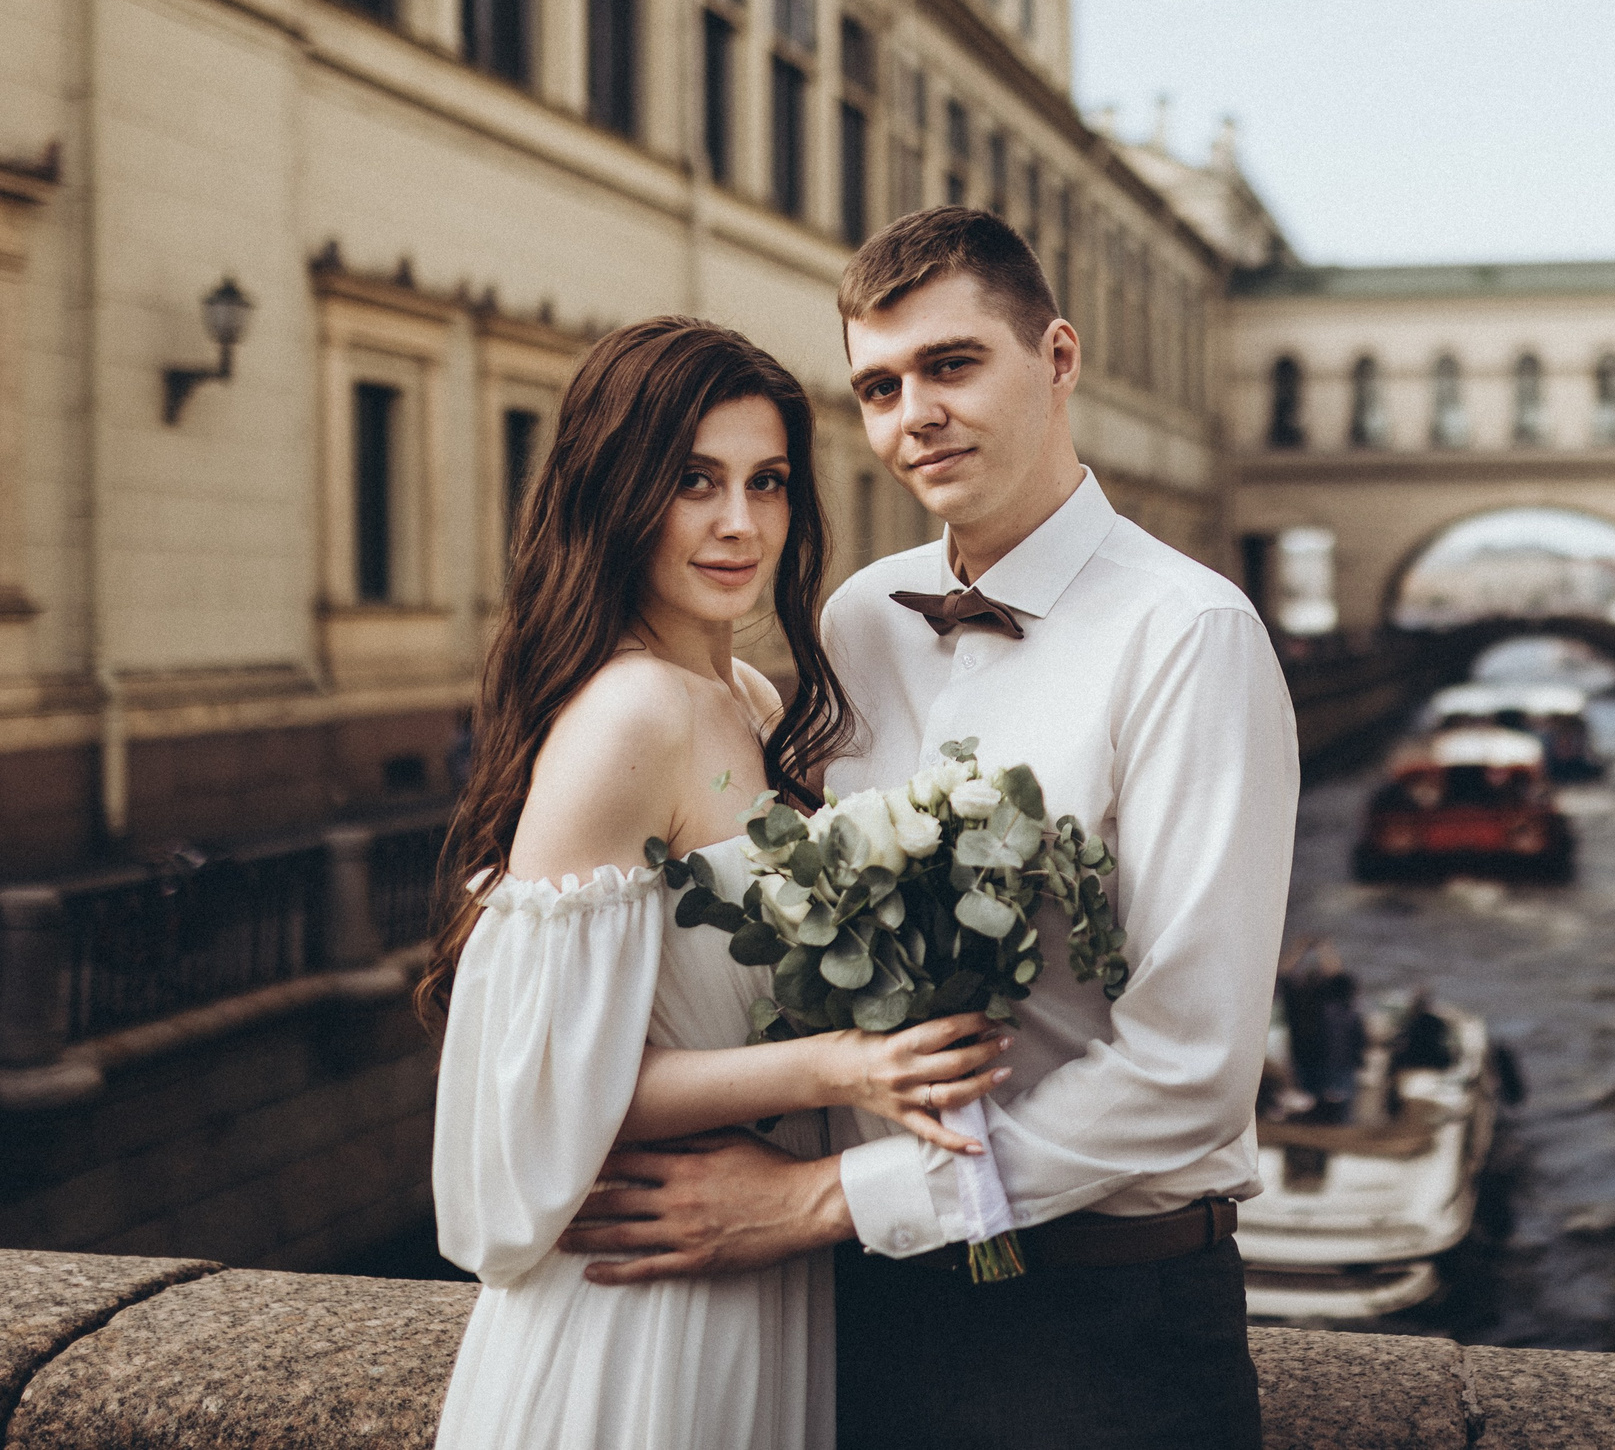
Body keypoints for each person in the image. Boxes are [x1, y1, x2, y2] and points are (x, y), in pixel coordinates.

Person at [561, 211, 1300, 1450]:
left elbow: (1191, 1069)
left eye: (953, 365)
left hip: (1098, 1320)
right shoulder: (857, 619)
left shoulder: (1190, 635)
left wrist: (816, 1199)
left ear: (1056, 358)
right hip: (859, 1306)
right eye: (879, 385)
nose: (916, 414)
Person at [421, 316, 1009, 1450]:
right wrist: (848, 1064)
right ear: (616, 494)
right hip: (640, 1308)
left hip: (757, 1268)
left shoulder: (747, 695)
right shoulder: (628, 716)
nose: (742, 524)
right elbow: (541, 1095)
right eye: (695, 481)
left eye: (768, 481)